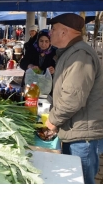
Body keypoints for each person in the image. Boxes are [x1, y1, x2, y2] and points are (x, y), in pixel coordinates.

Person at [45, 13, 103, 184]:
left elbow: (73, 98)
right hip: (75, 130)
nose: (50, 34)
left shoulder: (80, 55)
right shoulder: (71, 53)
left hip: (82, 136)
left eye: (53, 29)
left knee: (81, 184)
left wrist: (53, 121)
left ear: (65, 32)